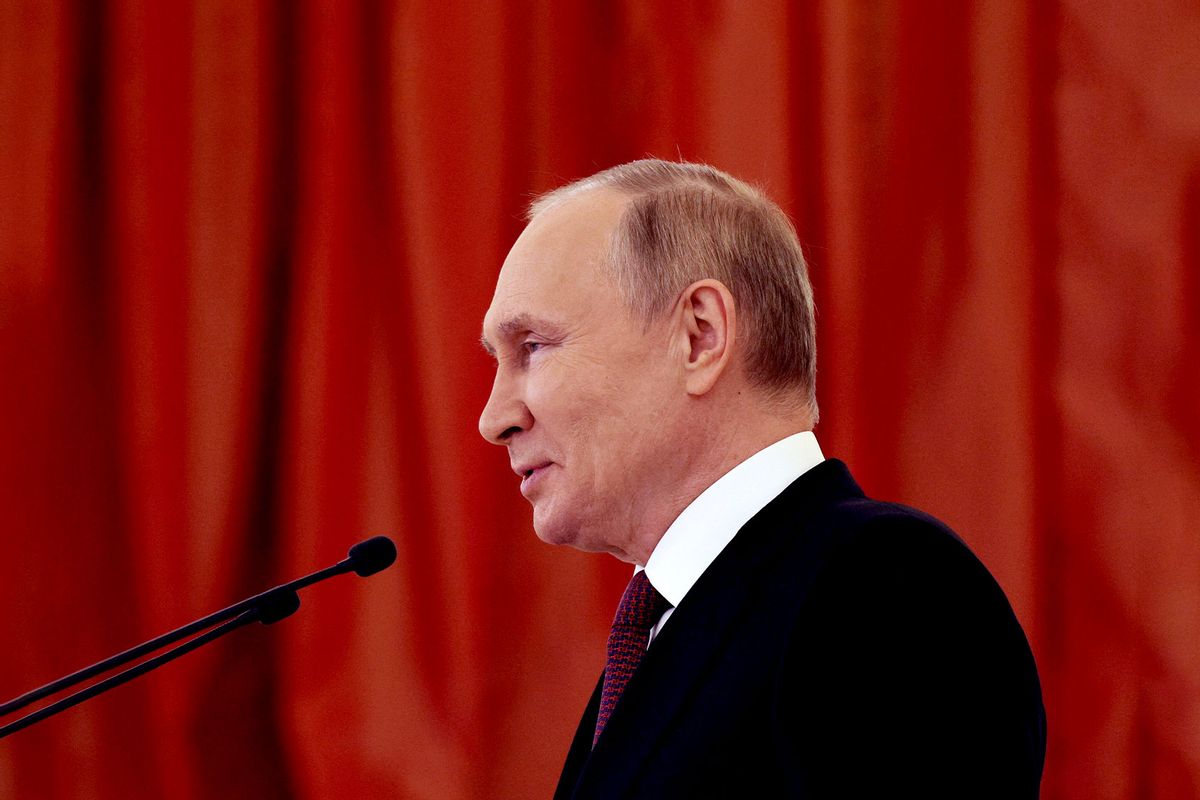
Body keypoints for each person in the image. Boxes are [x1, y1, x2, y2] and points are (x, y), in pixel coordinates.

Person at [478, 160, 1046, 799]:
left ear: (699, 337)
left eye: (533, 347)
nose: (494, 418)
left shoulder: (884, 585)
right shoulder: (663, 630)